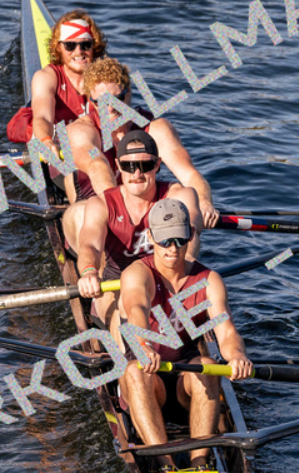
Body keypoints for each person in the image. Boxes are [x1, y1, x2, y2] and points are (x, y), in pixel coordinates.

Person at [115, 199, 252, 469]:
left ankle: (199, 463)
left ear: (190, 235)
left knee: (208, 366)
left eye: (179, 239)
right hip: (145, 382)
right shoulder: (137, 274)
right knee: (135, 371)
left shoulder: (209, 280)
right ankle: (166, 466)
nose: (173, 248)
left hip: (184, 388)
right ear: (151, 236)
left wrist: (237, 356)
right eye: (165, 240)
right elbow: (137, 310)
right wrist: (144, 345)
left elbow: (226, 332)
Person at [72, 130, 202, 327]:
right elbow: (90, 245)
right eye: (129, 166)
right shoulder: (101, 204)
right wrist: (89, 272)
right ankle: (132, 353)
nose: (137, 174)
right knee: (125, 310)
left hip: (168, 281)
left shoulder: (178, 196)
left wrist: (187, 266)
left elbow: (191, 229)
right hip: (116, 285)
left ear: (158, 165)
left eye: (146, 166)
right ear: (118, 166)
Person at [73, 58, 219, 230]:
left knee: (184, 195)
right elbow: (97, 165)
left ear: (128, 94)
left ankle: (183, 253)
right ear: (91, 102)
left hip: (141, 205)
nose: (110, 108)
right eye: (101, 102)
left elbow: (188, 173)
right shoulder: (81, 131)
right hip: (97, 206)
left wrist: (203, 201)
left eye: (116, 99)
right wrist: (120, 215)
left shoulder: (155, 128)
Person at [13, 10, 106, 157]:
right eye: (70, 45)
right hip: (54, 136)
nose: (79, 51)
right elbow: (43, 117)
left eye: (86, 45)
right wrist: (46, 140)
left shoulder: (109, 77)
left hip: (87, 140)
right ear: (58, 48)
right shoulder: (45, 77)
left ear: (95, 46)